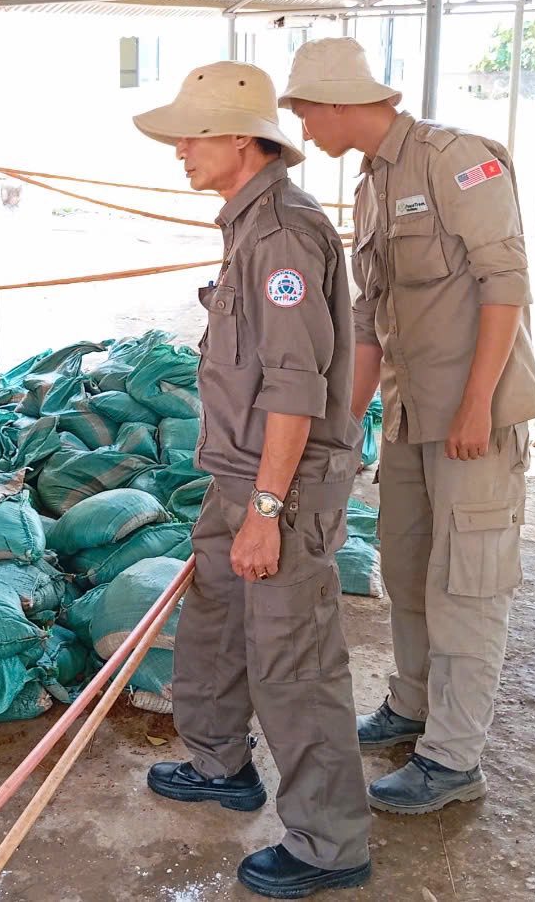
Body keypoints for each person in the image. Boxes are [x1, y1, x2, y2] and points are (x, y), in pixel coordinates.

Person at [282, 37, 535, 815]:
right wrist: (344, 416)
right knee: (405, 567)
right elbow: (369, 319)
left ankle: (452, 758)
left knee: (467, 581)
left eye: (303, 110)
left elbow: (506, 284)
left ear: (335, 101)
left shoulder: (456, 158)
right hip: (408, 412)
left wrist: (476, 405)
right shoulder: (371, 183)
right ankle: (411, 703)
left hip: (473, 417)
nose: (302, 127)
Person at [133, 61, 372, 898]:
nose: (179, 152)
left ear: (242, 137)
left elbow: (294, 387)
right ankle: (220, 764)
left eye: (191, 134)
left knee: (292, 664)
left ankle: (328, 845)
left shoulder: (280, 235)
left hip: (282, 487)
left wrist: (267, 511)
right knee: (214, 627)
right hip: (238, 478)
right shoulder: (246, 224)